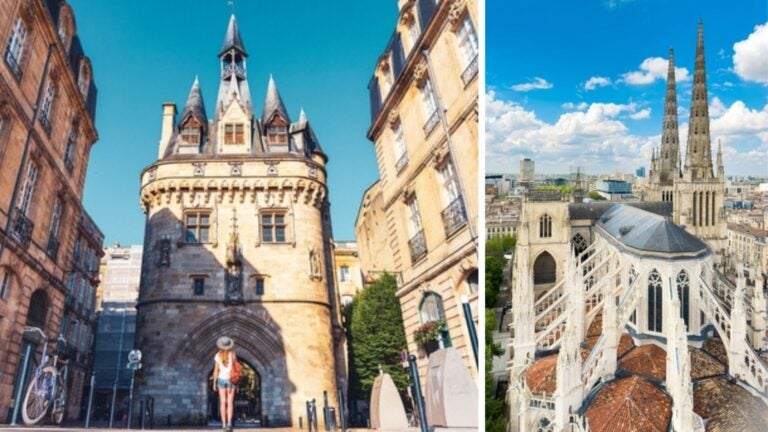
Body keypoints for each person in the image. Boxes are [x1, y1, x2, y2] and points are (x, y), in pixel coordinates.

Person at [213, 336, 237, 431]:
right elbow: (236, 369)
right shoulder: (233, 354)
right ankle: (229, 424)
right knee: (230, 403)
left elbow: (216, 370)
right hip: (231, 380)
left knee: (223, 402)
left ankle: (223, 424)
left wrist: (214, 383)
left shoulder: (217, 356)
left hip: (221, 380)